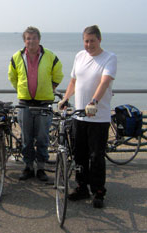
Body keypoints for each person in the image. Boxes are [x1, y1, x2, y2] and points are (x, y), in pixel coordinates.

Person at [58, 25, 117, 208]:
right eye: (86, 41)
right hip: (79, 117)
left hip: (98, 117)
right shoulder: (79, 56)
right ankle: (82, 187)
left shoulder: (109, 58)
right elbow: (74, 81)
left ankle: (99, 191)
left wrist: (93, 102)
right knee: (79, 155)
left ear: (99, 40)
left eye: (92, 41)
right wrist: (66, 99)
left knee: (96, 156)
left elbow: (104, 82)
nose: (89, 45)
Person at [8, 26, 64, 182]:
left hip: (44, 103)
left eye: (33, 38)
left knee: (42, 137)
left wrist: (50, 88)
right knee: (26, 138)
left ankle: (40, 168)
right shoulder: (17, 57)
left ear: (39, 39)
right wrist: (21, 89)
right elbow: (12, 77)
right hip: (24, 103)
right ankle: (28, 167)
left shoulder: (50, 56)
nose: (31, 41)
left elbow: (58, 74)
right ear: (24, 41)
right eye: (28, 38)